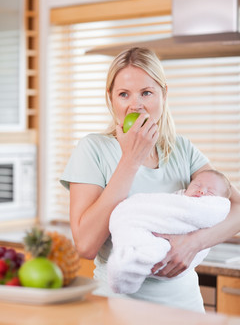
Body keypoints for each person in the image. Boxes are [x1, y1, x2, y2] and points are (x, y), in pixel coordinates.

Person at [60, 47, 240, 312]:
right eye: (124, 94)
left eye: (146, 92)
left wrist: (193, 245)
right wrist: (131, 158)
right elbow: (86, 245)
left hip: (186, 309)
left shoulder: (183, 150)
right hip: (119, 309)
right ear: (111, 99)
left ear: (163, 94)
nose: (136, 105)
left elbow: (236, 206)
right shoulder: (92, 149)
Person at [107, 169, 231, 295]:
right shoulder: (177, 199)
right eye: (197, 185)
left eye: (210, 192)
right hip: (150, 234)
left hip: (182, 296)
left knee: (156, 249)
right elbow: (160, 210)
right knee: (129, 219)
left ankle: (133, 263)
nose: (201, 191)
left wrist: (193, 242)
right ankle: (128, 264)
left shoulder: (212, 209)